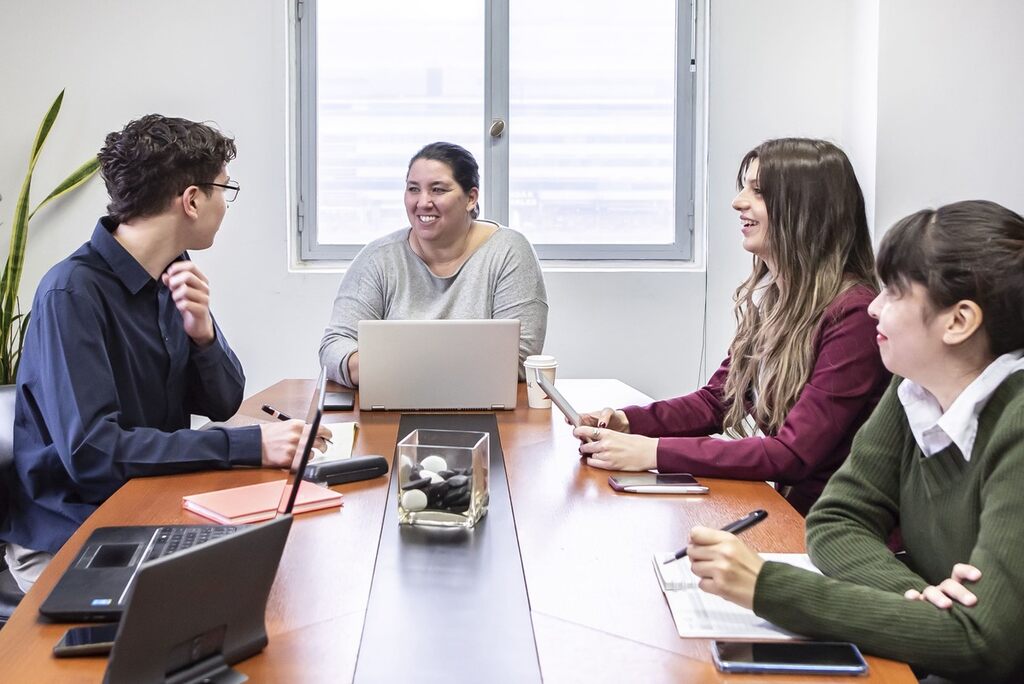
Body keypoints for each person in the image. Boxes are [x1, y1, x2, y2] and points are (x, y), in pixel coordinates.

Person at [687, 200, 1024, 682]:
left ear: (958, 321)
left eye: (893, 293)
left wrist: (768, 587)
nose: (872, 306)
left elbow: (984, 643)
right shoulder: (914, 387)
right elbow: (836, 519)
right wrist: (917, 599)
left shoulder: (1016, 422)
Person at [0, 115, 323, 592]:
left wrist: (203, 334)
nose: (225, 205)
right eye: (224, 191)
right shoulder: (72, 294)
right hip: (69, 532)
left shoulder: (171, 272)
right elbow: (93, 454)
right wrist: (248, 445)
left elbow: (223, 401)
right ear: (192, 200)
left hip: (143, 507)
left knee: (279, 569)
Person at [574, 138, 890, 515]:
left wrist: (653, 451)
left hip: (834, 528)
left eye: (758, 192)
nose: (738, 202)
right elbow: (719, 400)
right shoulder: (781, 302)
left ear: (804, 210)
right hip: (792, 512)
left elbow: (791, 454)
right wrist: (628, 422)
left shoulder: (854, 316)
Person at [319, 142, 548, 388]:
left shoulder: (508, 251)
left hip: (483, 404)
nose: (423, 202)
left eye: (438, 190)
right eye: (413, 189)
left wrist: (392, 366)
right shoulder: (379, 258)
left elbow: (518, 358)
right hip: (394, 400)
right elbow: (335, 345)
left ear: (471, 198)